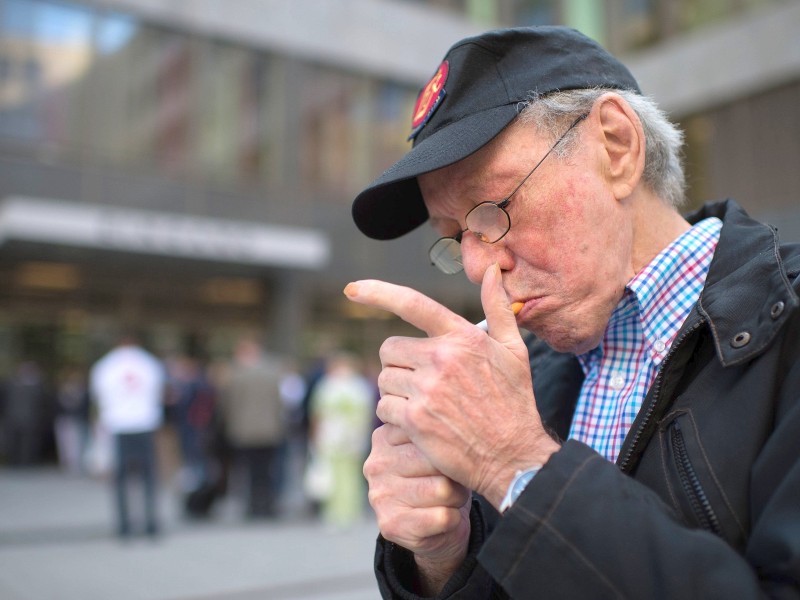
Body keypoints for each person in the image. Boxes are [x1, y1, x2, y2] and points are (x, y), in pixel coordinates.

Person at [344, 26, 800, 599]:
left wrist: (515, 462)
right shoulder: (518, 375)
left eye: (491, 209)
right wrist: (441, 557)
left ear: (615, 146)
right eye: (455, 236)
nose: (480, 267)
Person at [89, 333, 166, 539]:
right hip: (145, 424)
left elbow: (99, 396)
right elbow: (159, 393)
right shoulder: (150, 363)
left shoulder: (106, 365)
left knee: (121, 479)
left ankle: (124, 525)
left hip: (118, 425)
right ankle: (151, 522)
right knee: (149, 478)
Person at [218, 335, 286, 519]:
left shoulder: (235, 374)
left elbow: (228, 405)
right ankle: (266, 505)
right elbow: (279, 402)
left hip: (243, 430)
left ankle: (251, 507)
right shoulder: (273, 373)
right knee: (266, 470)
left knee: (246, 472)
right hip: (269, 429)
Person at [306, 351, 374, 530]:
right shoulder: (359, 386)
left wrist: (315, 436)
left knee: (335, 476)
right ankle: (350, 512)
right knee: (350, 476)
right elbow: (367, 414)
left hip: (332, 436)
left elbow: (317, 414)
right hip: (351, 437)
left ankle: (335, 514)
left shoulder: (327, 386)